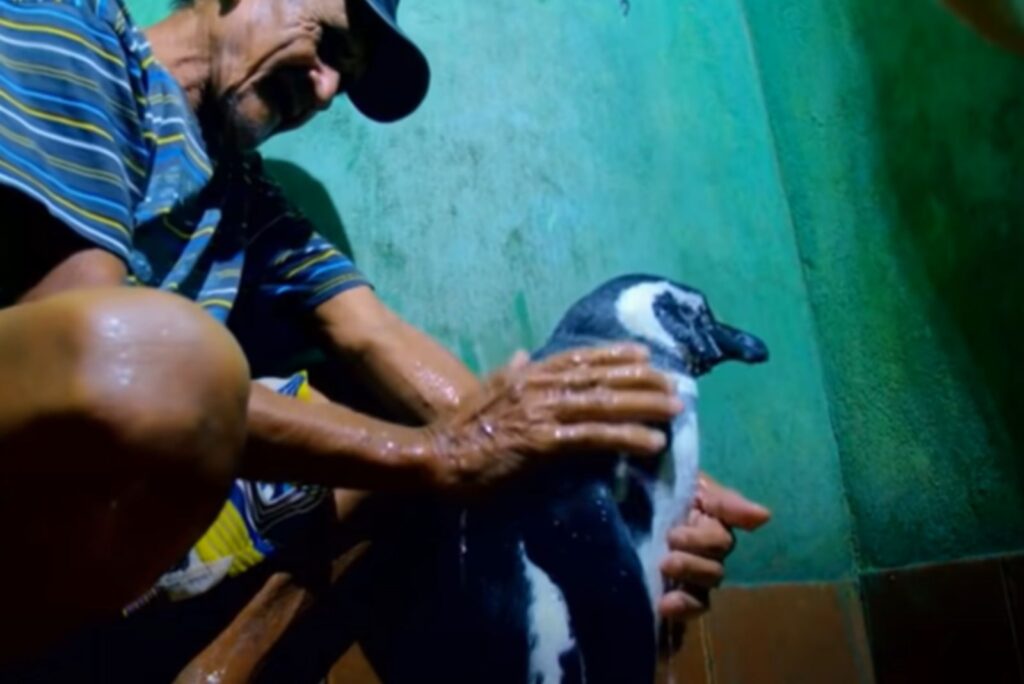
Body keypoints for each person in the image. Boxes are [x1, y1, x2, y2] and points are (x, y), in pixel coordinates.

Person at [0, 0, 769, 666]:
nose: (330, 90)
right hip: (29, 479)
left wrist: (616, 488)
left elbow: (374, 336)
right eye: (331, 43)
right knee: (171, 354)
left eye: (349, 72)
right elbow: (86, 348)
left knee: (390, 418)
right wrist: (440, 456)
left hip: (108, 541)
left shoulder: (246, 207)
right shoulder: (76, 30)